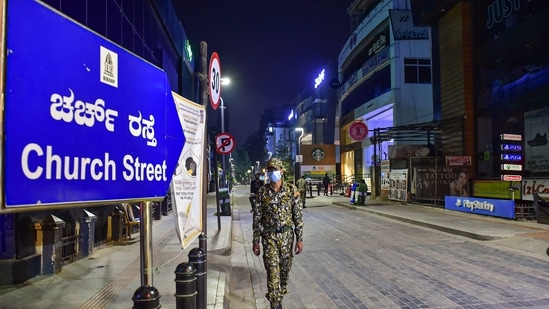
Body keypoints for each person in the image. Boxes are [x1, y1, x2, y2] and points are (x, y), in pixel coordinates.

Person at [253, 158, 304, 309]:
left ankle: (278, 298)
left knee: (283, 275)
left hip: (287, 238)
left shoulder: (291, 190)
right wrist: (256, 241)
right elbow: (257, 218)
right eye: (270, 170)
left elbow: (298, 217)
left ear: (282, 171)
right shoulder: (262, 192)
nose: (272, 172)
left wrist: (299, 239)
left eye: (275, 169)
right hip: (269, 238)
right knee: (272, 272)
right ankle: (276, 305)